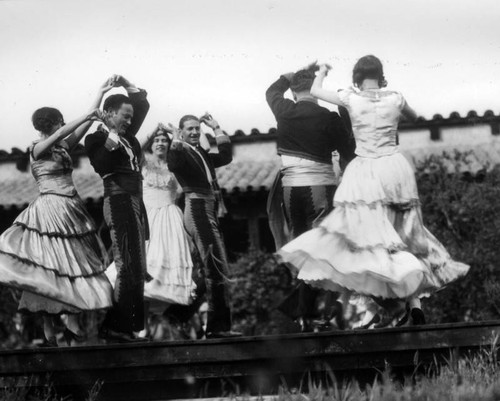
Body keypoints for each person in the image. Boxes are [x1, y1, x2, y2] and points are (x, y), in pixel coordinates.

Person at [277, 55, 470, 326]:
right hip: (395, 168)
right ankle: (412, 303)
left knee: (366, 239)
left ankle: (380, 303)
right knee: (403, 234)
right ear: (381, 75)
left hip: (366, 170)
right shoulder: (396, 97)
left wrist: (320, 72)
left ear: (357, 76)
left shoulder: (350, 97)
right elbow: (414, 117)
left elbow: (316, 91)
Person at [0, 78, 116, 347]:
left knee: (71, 262)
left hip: (71, 206)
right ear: (51, 125)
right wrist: (83, 116)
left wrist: (98, 96)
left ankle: (72, 312)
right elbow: (60, 135)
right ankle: (48, 319)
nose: (62, 126)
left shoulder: (62, 146)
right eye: (59, 122)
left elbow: (83, 126)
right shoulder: (37, 149)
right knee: (50, 264)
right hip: (50, 207)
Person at [265, 63, 356, 331]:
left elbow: (272, 90)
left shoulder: (283, 111)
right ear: (315, 92)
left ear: (293, 92)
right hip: (320, 189)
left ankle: (305, 312)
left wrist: (297, 72)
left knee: (305, 249)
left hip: (291, 190)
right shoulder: (329, 117)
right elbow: (348, 149)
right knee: (325, 249)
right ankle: (320, 310)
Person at [105, 123, 197, 338]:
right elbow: (138, 146)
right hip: (147, 218)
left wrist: (176, 136)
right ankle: (138, 325)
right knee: (141, 264)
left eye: (164, 141)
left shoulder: (174, 165)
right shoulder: (142, 162)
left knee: (164, 269)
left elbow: (186, 156)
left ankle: (158, 329)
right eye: (157, 140)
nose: (160, 143)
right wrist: (154, 129)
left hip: (170, 219)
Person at [84, 75, 150, 343]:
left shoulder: (129, 137)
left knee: (138, 267)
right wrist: (109, 132)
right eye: (125, 116)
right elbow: (102, 163)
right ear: (109, 114)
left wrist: (125, 81)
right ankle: (114, 327)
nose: (130, 121)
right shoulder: (96, 138)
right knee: (127, 266)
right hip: (118, 202)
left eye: (131, 117)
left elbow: (141, 104)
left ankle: (126, 327)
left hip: (135, 203)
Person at [166, 113, 241, 338]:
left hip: (207, 209)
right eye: (189, 129)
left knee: (213, 268)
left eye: (197, 129)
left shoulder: (201, 153)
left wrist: (216, 127)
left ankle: (176, 314)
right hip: (197, 209)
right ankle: (217, 329)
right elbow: (173, 163)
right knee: (217, 268)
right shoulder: (180, 151)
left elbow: (226, 156)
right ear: (181, 131)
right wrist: (176, 139)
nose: (195, 132)